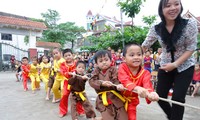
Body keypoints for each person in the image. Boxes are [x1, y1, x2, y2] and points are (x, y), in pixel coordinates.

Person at [142, 0, 198, 119]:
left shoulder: (189, 24)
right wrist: (133, 54)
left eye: (176, 4)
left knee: (177, 98)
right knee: (159, 96)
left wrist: (175, 64)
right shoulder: (156, 28)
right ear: (161, 9)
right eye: (168, 6)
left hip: (185, 66)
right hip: (165, 66)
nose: (173, 8)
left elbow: (191, 48)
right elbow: (145, 45)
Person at [118, 43, 159, 120]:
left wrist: (151, 94)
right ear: (124, 58)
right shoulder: (122, 67)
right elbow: (124, 80)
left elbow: (148, 86)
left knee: (132, 118)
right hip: (117, 100)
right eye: (132, 55)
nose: (136, 57)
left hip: (132, 102)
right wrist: (137, 88)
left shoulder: (145, 73)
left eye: (139, 54)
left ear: (143, 56)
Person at [89, 50, 128, 120]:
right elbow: (92, 81)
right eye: (101, 61)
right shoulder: (96, 71)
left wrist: (118, 86)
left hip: (116, 97)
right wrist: (101, 83)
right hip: (103, 100)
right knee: (108, 117)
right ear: (97, 63)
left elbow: (116, 80)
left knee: (123, 117)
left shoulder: (114, 69)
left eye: (106, 60)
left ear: (110, 60)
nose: (104, 62)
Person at [59, 48, 84, 117]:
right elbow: (63, 72)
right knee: (64, 95)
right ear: (63, 57)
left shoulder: (76, 63)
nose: (68, 57)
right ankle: (63, 111)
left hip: (76, 82)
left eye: (69, 55)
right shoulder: (62, 64)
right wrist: (69, 73)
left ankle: (80, 110)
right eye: (66, 56)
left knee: (78, 95)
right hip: (67, 82)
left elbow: (81, 69)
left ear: (72, 55)